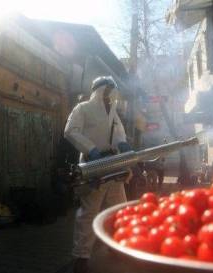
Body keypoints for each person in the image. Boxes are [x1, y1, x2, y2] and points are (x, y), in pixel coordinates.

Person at [64, 76, 131, 273]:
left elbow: (119, 133)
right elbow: (70, 131)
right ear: (100, 90)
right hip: (92, 166)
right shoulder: (82, 108)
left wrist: (123, 144)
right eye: (108, 91)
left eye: (113, 92)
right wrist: (91, 149)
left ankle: (117, 246)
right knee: (89, 213)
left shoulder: (113, 113)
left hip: (113, 166)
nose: (111, 96)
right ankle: (81, 257)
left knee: (119, 209)